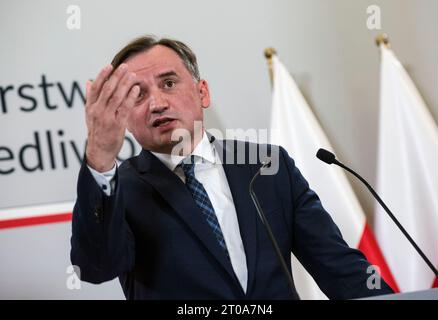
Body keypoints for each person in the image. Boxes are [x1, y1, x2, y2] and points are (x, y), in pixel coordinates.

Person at [70, 35, 394, 299]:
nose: (157, 103)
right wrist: (99, 156)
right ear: (124, 115)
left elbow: (339, 268)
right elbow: (96, 268)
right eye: (138, 95)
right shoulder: (118, 189)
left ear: (202, 92)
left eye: (168, 83)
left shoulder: (267, 167)